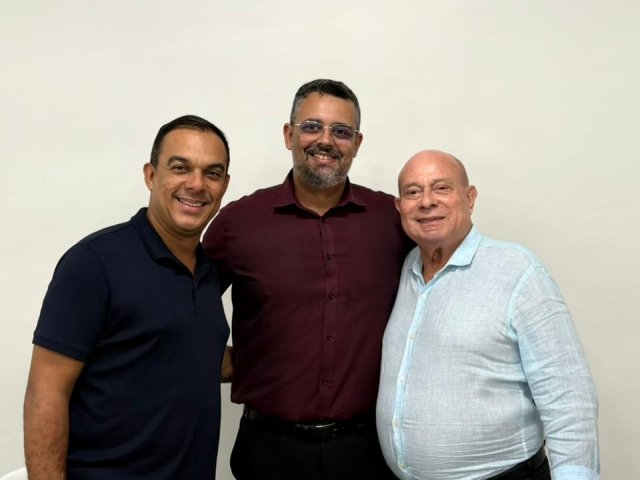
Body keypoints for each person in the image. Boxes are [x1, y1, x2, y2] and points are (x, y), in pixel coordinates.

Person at [203, 79, 412, 480]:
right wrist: (215, 358)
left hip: (368, 452)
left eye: (341, 131)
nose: (325, 140)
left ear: (357, 143)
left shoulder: (391, 220)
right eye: (312, 126)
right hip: (268, 450)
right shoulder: (238, 223)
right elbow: (183, 307)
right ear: (289, 134)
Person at [23, 115, 231, 479]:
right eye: (180, 168)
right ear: (151, 175)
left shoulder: (210, 271)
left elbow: (186, 354)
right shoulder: (94, 263)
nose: (196, 184)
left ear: (224, 185)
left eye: (212, 173)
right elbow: (46, 392)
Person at [376, 150, 600, 480]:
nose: (427, 202)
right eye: (413, 192)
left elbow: (568, 398)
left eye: (441, 188)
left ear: (470, 198)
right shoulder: (407, 267)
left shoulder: (517, 271)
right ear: (399, 207)